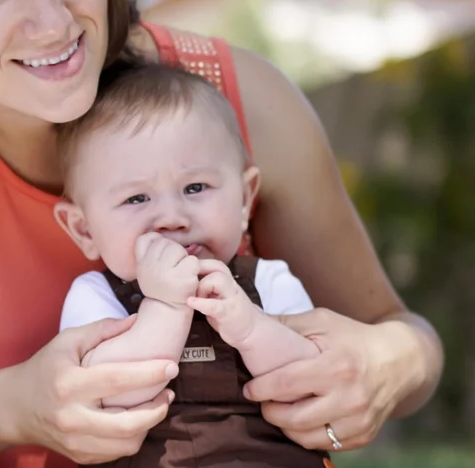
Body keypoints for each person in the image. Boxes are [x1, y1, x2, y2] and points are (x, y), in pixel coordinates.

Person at [0, 1, 443, 468]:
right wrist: (12, 408)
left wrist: (390, 363)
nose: (57, 21)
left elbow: (402, 334)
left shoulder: (239, 100)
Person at [54, 63, 330, 467]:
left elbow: (307, 387)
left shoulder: (269, 281)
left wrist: (253, 329)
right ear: (84, 229)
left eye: (195, 188)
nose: (172, 217)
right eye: (136, 199)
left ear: (243, 199)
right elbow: (108, 397)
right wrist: (165, 306)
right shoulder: (95, 298)